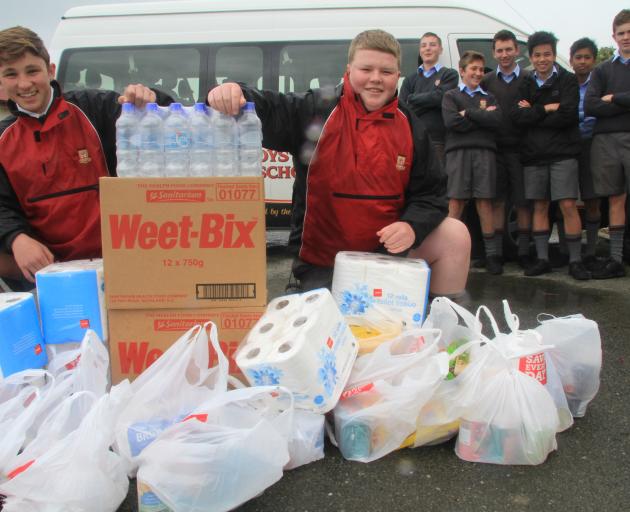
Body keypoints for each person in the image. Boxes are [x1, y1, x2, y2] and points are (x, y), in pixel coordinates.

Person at [207, 29, 471, 300]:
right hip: (323, 265)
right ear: (349, 69)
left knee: (455, 234)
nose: (376, 79)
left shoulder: (410, 124)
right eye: (366, 69)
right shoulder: (317, 109)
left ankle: (440, 326)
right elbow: (270, 108)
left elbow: (432, 196)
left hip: (384, 258)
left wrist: (412, 226)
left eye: (386, 72)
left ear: (398, 75)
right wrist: (236, 92)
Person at [0, 26, 169, 286]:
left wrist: (150, 98)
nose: (24, 84)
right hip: (52, 275)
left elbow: (169, 117)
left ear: (51, 70)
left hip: (120, 264)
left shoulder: (94, 107)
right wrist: (16, 238)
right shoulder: (3, 137)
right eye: (11, 74)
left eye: (32, 71)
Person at [510, 31, 590, 280]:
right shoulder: (524, 83)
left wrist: (534, 112)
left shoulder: (566, 80)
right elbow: (518, 118)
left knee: (568, 204)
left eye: (547, 54)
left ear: (554, 55)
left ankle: (576, 261)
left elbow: (568, 115)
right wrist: (546, 109)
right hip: (533, 156)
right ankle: (542, 259)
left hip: (563, 154)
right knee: (540, 206)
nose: (542, 59)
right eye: (537, 55)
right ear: (530, 57)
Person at [442, 50, 502, 275]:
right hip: (457, 154)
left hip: (485, 153)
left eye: (480, 69)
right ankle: (446, 253)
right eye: (473, 69)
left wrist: (468, 113)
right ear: (462, 70)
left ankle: (492, 256)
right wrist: (480, 117)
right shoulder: (451, 96)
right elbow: (451, 122)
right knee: (456, 202)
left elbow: (496, 121)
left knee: (485, 202)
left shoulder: (490, 97)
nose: (477, 73)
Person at [480, 30, 533, 271]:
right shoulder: (487, 81)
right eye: (499, 50)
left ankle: (523, 253)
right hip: (496, 150)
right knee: (498, 202)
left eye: (508, 49)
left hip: (523, 150)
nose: (504, 55)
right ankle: (497, 255)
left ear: (517, 50)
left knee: (523, 203)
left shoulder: (529, 79)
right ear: (494, 53)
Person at [584, 9, 630, 279]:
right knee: (615, 198)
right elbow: (590, 105)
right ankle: (615, 259)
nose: (626, 37)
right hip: (605, 141)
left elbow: (602, 103)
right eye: (622, 33)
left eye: (629, 33)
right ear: (613, 36)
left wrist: (614, 99)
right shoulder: (602, 70)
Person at [399, 32, 458, 165]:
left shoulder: (449, 74)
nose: (428, 48)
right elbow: (403, 107)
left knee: (438, 182)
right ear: (420, 51)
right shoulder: (410, 79)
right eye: (424, 45)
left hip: (439, 140)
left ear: (440, 49)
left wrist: (412, 97)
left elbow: (441, 97)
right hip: (413, 139)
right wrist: (431, 99)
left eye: (432, 45)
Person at [569, 37, 602, 270]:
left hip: (593, 144)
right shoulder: (566, 83)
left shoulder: (600, 82)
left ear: (594, 60)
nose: (582, 62)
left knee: (591, 198)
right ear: (570, 61)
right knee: (566, 200)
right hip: (567, 145)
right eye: (578, 57)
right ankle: (566, 251)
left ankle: (591, 250)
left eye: (587, 57)